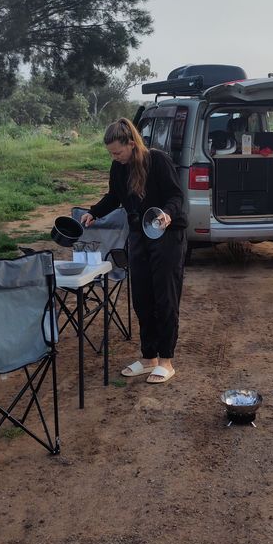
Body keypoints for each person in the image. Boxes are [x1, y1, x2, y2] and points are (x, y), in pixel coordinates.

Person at [81, 118, 188, 384]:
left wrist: (167, 213)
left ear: (131, 143)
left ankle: (166, 360)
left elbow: (177, 196)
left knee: (165, 297)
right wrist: (94, 212)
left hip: (167, 235)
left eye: (117, 152)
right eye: (111, 154)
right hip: (139, 235)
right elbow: (113, 197)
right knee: (141, 297)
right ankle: (148, 357)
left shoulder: (158, 161)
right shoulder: (119, 168)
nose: (114, 157)